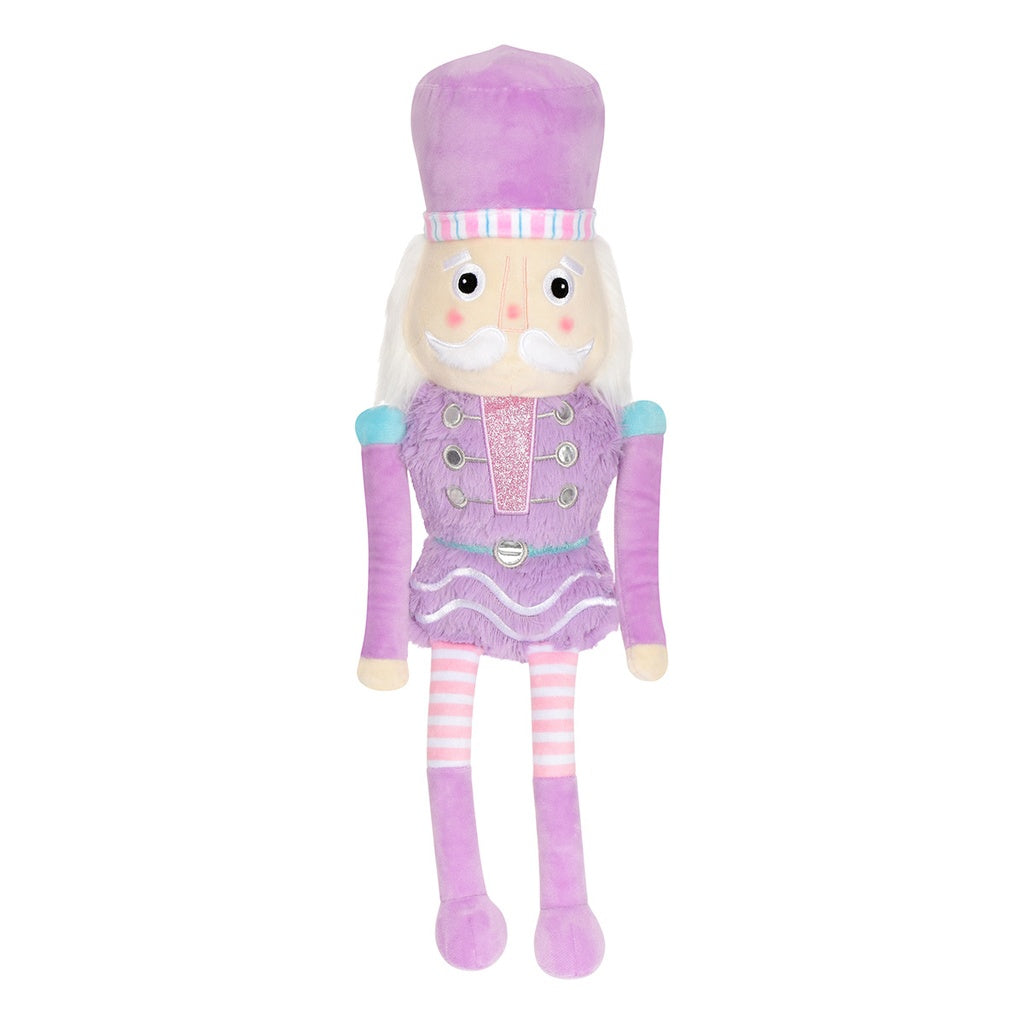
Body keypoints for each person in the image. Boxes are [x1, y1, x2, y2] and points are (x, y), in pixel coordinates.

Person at [355, 46, 667, 978]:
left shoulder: (607, 421)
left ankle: (565, 900)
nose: (518, 313)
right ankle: (462, 895)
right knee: (449, 747)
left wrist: (646, 622)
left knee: (554, 752)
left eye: (557, 288)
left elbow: (640, 522)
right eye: (472, 283)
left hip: (564, 586)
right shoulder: (411, 421)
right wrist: (381, 636)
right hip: (457, 582)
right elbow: (385, 537)